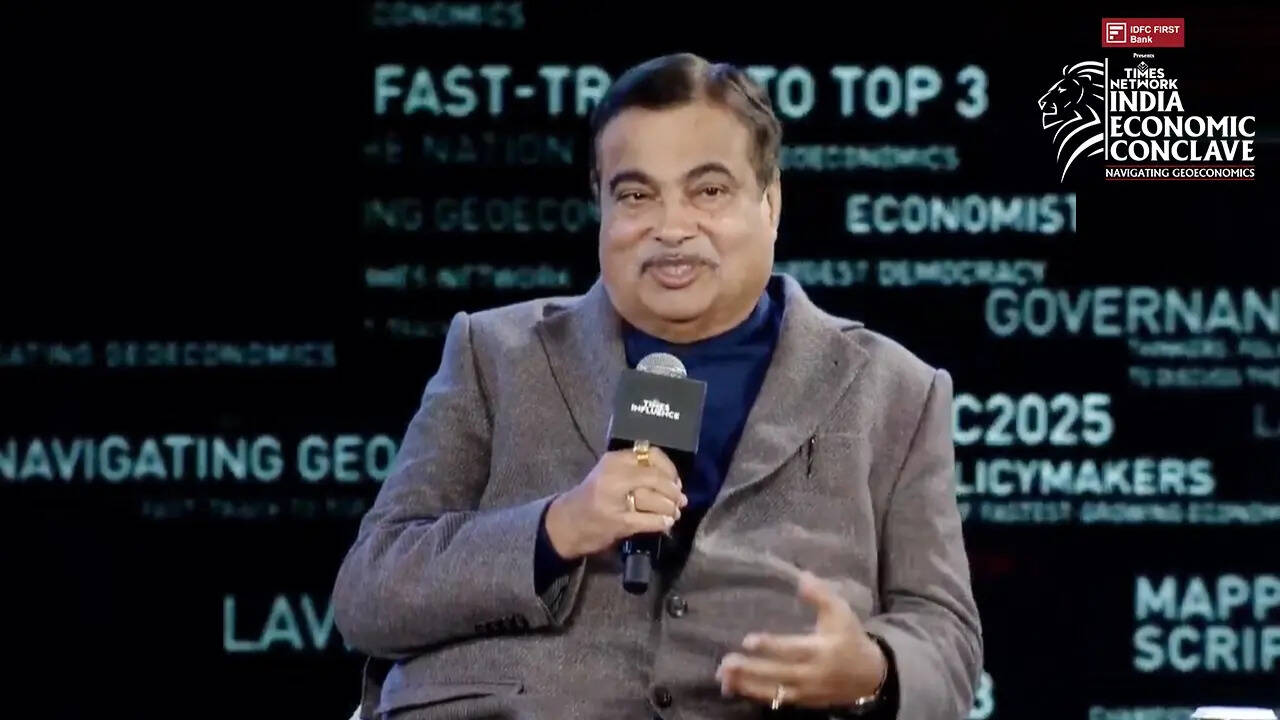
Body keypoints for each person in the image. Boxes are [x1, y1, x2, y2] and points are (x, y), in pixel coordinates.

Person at [332, 52, 982, 720]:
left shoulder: (895, 389)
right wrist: (556, 528)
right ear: (601, 207)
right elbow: (368, 593)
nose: (671, 228)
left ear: (771, 202)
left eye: (709, 191)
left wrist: (871, 671)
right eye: (637, 196)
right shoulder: (494, 354)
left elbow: (948, 640)